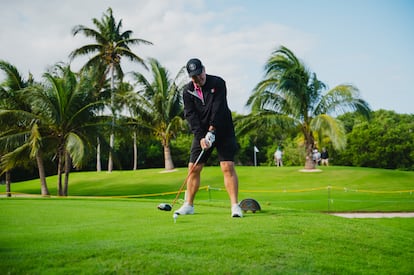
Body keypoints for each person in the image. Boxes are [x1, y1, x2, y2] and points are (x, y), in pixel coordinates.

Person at [174, 58, 243, 218]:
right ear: (190, 77)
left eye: (200, 74)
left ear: (204, 69)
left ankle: (235, 206)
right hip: (202, 134)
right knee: (194, 168)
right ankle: (189, 205)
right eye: (195, 76)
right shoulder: (187, 91)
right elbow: (190, 115)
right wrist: (201, 137)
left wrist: (212, 131)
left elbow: (218, 109)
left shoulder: (217, 83)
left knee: (227, 166)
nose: (199, 78)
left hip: (223, 130)